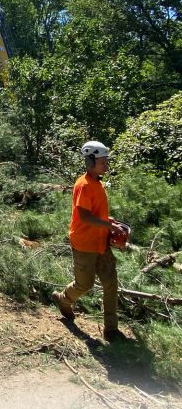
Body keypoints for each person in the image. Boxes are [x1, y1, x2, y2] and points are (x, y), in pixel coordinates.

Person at [52, 141, 127, 342]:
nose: (106, 166)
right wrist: (109, 226)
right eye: (103, 162)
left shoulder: (98, 183)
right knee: (84, 285)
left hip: (100, 242)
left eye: (106, 162)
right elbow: (85, 217)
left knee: (111, 283)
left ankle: (111, 330)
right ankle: (63, 298)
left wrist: (110, 222)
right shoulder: (83, 185)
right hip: (84, 243)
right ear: (90, 161)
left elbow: (97, 213)